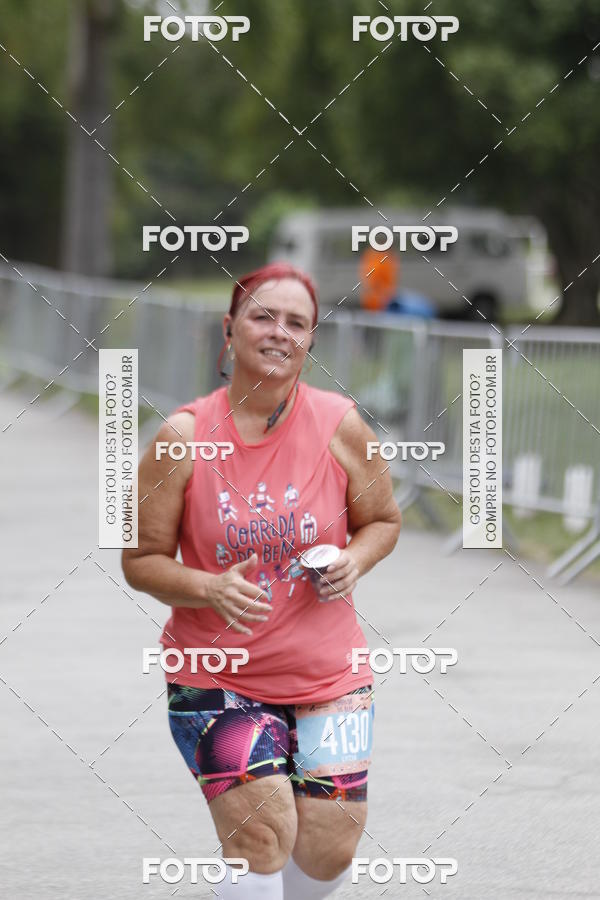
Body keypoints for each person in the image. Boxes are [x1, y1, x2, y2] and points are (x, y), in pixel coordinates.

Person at [122, 262, 402, 898]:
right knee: (264, 833)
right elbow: (140, 560)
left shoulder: (340, 425)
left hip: (329, 673)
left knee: (329, 847)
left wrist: (355, 561)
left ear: (311, 339)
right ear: (230, 329)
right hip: (217, 674)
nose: (280, 332)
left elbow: (383, 521)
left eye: (297, 322)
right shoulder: (183, 437)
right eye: (263, 316)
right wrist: (209, 587)